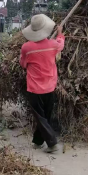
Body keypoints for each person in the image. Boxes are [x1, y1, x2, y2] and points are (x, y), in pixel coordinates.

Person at [20, 14, 65, 153]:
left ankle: (52, 144)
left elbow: (23, 64)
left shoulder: (26, 48)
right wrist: (60, 33)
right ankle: (38, 142)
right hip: (50, 87)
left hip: (34, 89)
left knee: (41, 118)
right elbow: (61, 44)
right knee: (45, 116)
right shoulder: (53, 45)